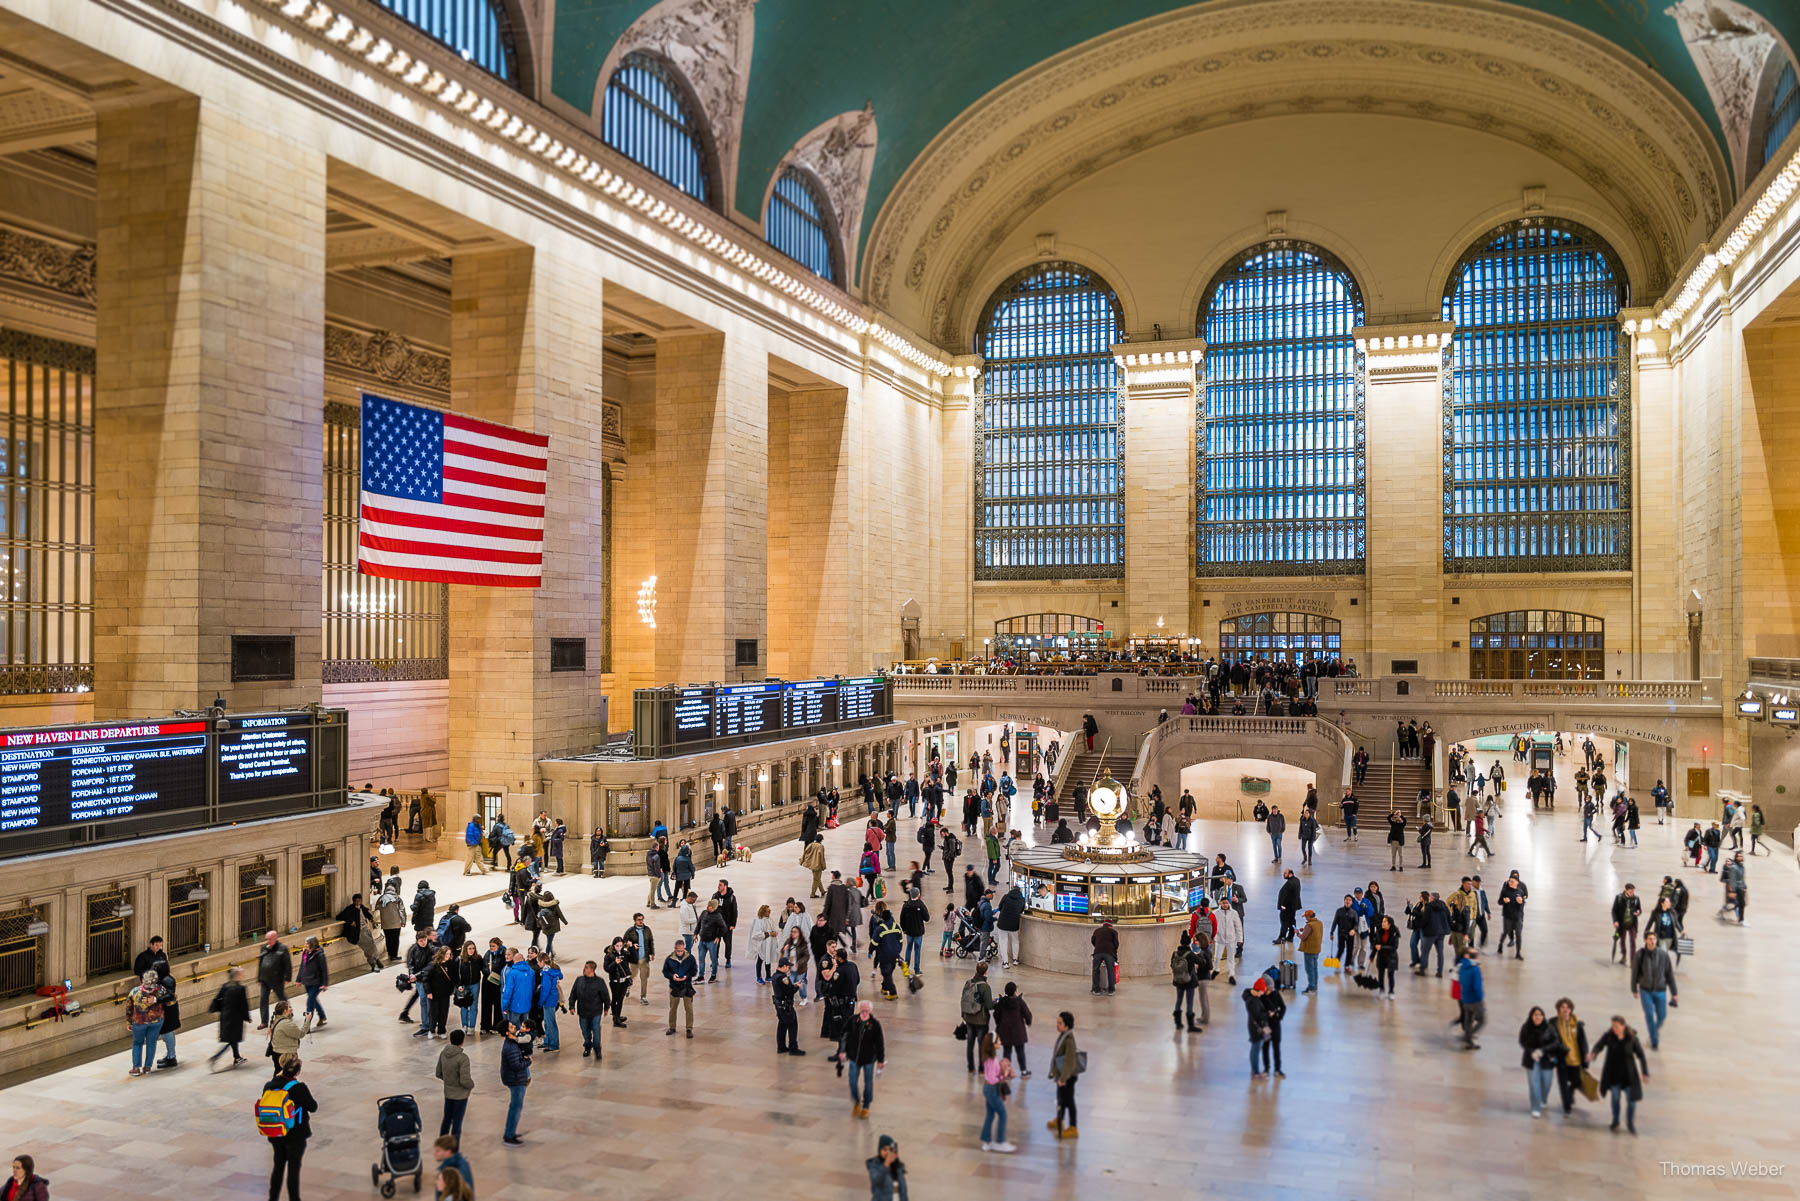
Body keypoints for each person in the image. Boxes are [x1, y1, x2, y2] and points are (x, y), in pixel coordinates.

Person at [261, 1054, 317, 1201]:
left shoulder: (269, 1085)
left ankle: (273, 1198)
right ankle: (294, 1198)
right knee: (293, 1168)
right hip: (295, 1134)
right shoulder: (299, 1088)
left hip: (275, 1132)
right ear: (297, 1073)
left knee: (278, 1167)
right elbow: (313, 1107)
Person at [1587, 1015, 1649, 1134]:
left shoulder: (1632, 1038)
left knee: (1631, 1102)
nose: (1614, 1029)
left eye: (1616, 1026)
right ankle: (1615, 1120)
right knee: (1615, 1099)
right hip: (1614, 1075)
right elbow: (1599, 1045)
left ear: (1623, 1026)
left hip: (1629, 1076)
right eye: (1613, 1026)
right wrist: (1593, 1053)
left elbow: (1641, 1055)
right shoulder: (1609, 1036)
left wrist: (1644, 1072)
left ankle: (1630, 1123)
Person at [1631, 931, 1679, 1049]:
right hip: (1645, 990)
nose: (1652, 941)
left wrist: (1674, 993)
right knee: (1649, 1015)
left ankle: (1653, 1033)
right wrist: (1634, 989)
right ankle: (1654, 1041)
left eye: (1654, 939)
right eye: (1650, 939)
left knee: (1662, 1016)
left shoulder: (1663, 955)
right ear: (1645, 940)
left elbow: (1669, 974)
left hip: (1660, 990)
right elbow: (1634, 973)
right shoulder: (1640, 955)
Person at [838, 1000, 886, 1118]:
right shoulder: (853, 1021)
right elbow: (844, 1035)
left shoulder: (875, 1025)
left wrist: (881, 1060)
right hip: (854, 1057)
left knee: (868, 1083)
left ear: (870, 1011)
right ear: (859, 1010)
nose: (864, 1013)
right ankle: (856, 1101)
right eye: (863, 1010)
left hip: (869, 1059)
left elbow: (880, 1043)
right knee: (852, 1082)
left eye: (867, 1011)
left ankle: (866, 1106)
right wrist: (842, 1051)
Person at [1519, 1005, 1563, 1118]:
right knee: (1534, 1084)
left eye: (1540, 1015)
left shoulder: (1549, 1027)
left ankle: (1543, 1098)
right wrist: (1532, 1051)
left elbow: (1556, 1042)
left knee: (1546, 1082)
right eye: (1535, 1015)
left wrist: (1542, 1050)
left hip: (1547, 1059)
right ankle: (1535, 1107)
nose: (1538, 1017)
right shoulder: (1526, 1027)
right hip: (1531, 1059)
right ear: (1531, 1016)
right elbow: (1522, 1041)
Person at [977, 1032, 1016, 1152]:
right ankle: (1000, 1141)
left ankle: (987, 1141)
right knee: (1003, 1114)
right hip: (991, 1090)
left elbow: (994, 1073)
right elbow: (992, 1078)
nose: (1001, 1042)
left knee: (990, 1114)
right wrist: (1003, 1076)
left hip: (989, 1089)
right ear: (993, 1044)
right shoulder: (990, 1059)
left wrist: (1005, 1070)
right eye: (998, 1041)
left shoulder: (991, 1058)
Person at [207, 965, 251, 1070]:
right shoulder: (241, 988)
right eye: (241, 974)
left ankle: (237, 1057)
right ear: (237, 976)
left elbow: (218, 1000)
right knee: (232, 1039)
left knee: (232, 1038)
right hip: (235, 1018)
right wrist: (247, 1017)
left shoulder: (224, 986)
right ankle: (216, 1057)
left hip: (225, 1016)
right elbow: (243, 1005)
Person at [1046, 1011, 1081, 1139]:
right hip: (1061, 1076)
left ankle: (1073, 1127)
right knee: (1061, 1099)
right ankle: (1059, 1119)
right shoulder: (1063, 1036)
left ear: (1067, 1026)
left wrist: (1063, 1079)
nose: (1057, 1025)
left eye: (1060, 1023)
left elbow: (1070, 1062)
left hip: (1067, 1077)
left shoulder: (1069, 1040)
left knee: (1069, 1101)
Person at [1551, 997, 1589, 1116]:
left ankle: (1571, 1093)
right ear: (1558, 1009)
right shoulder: (1553, 1024)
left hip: (1576, 1060)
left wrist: (1586, 1055)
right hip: (1562, 1060)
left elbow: (1583, 1042)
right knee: (1563, 1086)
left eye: (1567, 1007)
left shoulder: (1577, 1024)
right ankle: (1567, 1107)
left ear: (1571, 1009)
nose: (1565, 1009)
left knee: (1577, 1082)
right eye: (1562, 1007)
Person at [434, 1028, 473, 1141]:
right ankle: (454, 1150)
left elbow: (438, 1073)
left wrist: (448, 1081)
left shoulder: (443, 1053)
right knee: (457, 1122)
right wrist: (471, 1085)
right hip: (460, 1096)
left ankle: (442, 1144)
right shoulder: (463, 1058)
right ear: (462, 1041)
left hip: (448, 1093)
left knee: (446, 1119)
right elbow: (464, 1080)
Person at [125, 969, 164, 1077]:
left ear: (143, 979)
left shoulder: (135, 991)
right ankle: (147, 1067)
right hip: (156, 1021)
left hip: (139, 1022)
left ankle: (136, 1068)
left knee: (137, 1043)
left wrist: (129, 1022)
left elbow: (128, 1008)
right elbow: (170, 999)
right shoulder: (160, 990)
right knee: (152, 1043)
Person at [959, 962, 995, 1073]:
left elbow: (963, 998)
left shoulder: (968, 983)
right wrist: (995, 1002)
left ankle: (970, 1067)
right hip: (981, 1020)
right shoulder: (985, 986)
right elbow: (989, 1006)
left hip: (969, 1018)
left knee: (970, 1044)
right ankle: (981, 1068)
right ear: (985, 972)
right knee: (981, 1045)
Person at [501, 1023, 533, 1145]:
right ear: (507, 1033)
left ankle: (510, 1131)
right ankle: (509, 1135)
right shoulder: (510, 1047)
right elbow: (516, 1065)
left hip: (516, 1078)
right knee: (516, 1107)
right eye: (510, 1027)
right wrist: (528, 1061)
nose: (514, 1026)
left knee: (514, 1107)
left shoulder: (513, 1043)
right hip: (516, 1080)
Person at [255, 930, 291, 1030]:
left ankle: (288, 1014)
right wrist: (259, 977)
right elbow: (261, 963)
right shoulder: (264, 948)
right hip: (264, 979)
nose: (267, 941)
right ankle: (264, 1021)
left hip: (277, 979)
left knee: (282, 998)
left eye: (269, 939)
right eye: (266, 939)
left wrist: (287, 977)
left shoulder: (282, 948)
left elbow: (287, 964)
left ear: (275, 939)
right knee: (263, 1000)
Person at [663, 940, 697, 1038]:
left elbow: (694, 971)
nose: (680, 953)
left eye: (682, 951)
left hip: (687, 986)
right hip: (674, 986)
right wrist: (672, 976)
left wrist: (686, 976)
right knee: (673, 1008)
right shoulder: (669, 959)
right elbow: (665, 972)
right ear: (675, 949)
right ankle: (672, 1027)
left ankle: (689, 1029)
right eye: (678, 951)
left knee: (689, 1008)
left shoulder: (690, 958)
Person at [293, 935, 328, 1029]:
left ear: (312, 944)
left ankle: (306, 1025)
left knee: (309, 1003)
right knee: (313, 1000)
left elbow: (324, 970)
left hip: (316, 982)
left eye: (307, 943)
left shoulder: (320, 955)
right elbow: (302, 966)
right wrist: (298, 979)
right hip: (307, 981)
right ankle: (322, 1016)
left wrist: (325, 984)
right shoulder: (305, 953)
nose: (305, 945)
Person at [264, 1001, 310, 1070]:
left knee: (279, 1073)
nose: (291, 1008)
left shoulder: (275, 1019)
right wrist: (307, 1021)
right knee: (288, 1075)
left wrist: (290, 1014)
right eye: (289, 1007)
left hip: (276, 1053)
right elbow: (301, 1034)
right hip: (286, 1055)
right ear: (285, 1011)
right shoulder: (286, 1024)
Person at [1170, 931, 1203, 1029]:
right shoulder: (1190, 954)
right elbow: (1201, 962)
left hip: (1178, 980)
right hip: (1189, 981)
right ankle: (1191, 1025)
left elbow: (1172, 965)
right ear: (1189, 943)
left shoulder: (1175, 954)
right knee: (1189, 1002)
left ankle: (1178, 1023)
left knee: (1179, 1000)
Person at [1243, 976, 1273, 1078]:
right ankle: (1255, 1072)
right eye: (1261, 991)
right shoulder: (1254, 1001)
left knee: (1256, 1047)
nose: (1262, 993)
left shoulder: (1252, 997)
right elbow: (1258, 1015)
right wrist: (1268, 1014)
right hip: (1257, 1029)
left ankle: (1255, 1070)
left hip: (1256, 1027)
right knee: (1256, 1049)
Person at [1455, 949, 1484, 1048]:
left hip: (1465, 998)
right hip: (1474, 999)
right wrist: (1480, 998)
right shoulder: (1475, 969)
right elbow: (1477, 986)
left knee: (1469, 1020)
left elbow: (1461, 981)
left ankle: (1468, 1040)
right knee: (1482, 1020)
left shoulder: (1462, 966)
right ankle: (1468, 1036)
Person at [624, 913, 655, 1004]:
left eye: (642, 919)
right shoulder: (630, 931)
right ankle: (627, 987)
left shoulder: (647, 930)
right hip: (634, 959)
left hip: (644, 959)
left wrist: (652, 953)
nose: (641, 921)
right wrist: (630, 944)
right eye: (639, 919)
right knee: (632, 975)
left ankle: (643, 997)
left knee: (644, 978)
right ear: (635, 920)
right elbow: (623, 942)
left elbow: (650, 941)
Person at [867, 1134, 908, 1201]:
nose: (887, 1152)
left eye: (890, 1150)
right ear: (879, 1151)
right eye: (884, 1149)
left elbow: (903, 1190)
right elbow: (876, 1181)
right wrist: (886, 1164)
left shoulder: (898, 1167)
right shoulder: (874, 1165)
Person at [1497, 871, 1528, 959]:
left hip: (1517, 917)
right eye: (1509, 881)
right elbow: (1499, 902)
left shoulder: (1520, 892)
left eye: (1512, 881)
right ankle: (1500, 944)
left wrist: (1520, 902)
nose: (1510, 883)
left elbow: (1522, 905)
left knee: (1518, 935)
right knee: (1506, 932)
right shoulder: (1505, 891)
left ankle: (1518, 953)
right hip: (1507, 917)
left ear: (1517, 882)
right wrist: (1504, 901)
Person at [1372, 914, 1400, 998]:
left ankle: (1391, 992)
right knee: (1381, 974)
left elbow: (1394, 947)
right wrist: (1372, 955)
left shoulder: (1394, 933)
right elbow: (1375, 943)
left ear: (1389, 924)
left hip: (1391, 958)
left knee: (1390, 975)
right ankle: (1382, 990)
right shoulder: (1379, 932)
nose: (1382, 923)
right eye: (1382, 922)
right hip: (1381, 957)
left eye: (1384, 922)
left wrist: (1382, 947)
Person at [1090, 917, 1119, 995]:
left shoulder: (1097, 931)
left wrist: (1098, 946)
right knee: (1110, 970)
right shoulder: (1113, 932)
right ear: (1110, 925)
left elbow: (1093, 940)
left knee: (1095, 970)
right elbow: (1116, 944)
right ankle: (1111, 990)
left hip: (1098, 952)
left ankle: (1096, 990)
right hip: (1109, 953)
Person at [1297, 909, 1323, 993]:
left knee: (1309, 969)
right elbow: (1313, 933)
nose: (1305, 918)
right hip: (1316, 950)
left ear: (1308, 916)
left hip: (1309, 950)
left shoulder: (1309, 925)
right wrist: (1303, 930)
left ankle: (1311, 988)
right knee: (1315, 968)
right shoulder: (1319, 923)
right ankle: (1314, 986)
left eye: (1306, 917)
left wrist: (1297, 933)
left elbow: (1303, 938)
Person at [1721, 851, 1747, 923]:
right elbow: (1732, 879)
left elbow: (1742, 878)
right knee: (1737, 903)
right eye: (1739, 856)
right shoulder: (1733, 867)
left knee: (1741, 904)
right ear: (1736, 857)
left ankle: (1740, 918)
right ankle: (1741, 919)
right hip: (1736, 888)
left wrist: (1745, 886)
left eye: (1741, 856)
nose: (1740, 857)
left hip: (1741, 888)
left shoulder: (1741, 866)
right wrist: (1733, 891)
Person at [1275, 870, 1301, 943]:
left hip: (1287, 907)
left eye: (1285, 873)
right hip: (1294, 906)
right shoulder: (1296, 880)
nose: (1283, 875)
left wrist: (1283, 905)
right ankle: (1290, 936)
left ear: (1290, 874)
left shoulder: (1290, 883)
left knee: (1284, 922)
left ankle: (1281, 937)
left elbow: (1287, 896)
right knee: (1292, 921)